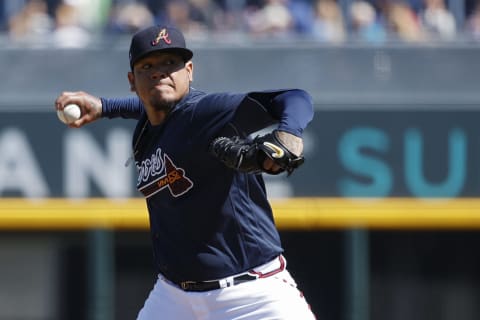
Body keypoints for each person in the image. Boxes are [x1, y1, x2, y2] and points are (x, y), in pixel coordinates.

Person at [55, 25, 316, 320]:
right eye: (147, 66)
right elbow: (146, 107)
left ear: (189, 71)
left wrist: (289, 134)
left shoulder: (206, 112)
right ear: (132, 80)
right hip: (173, 298)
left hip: (251, 295)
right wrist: (105, 106)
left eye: (170, 64)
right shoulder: (151, 122)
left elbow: (295, 98)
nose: (160, 72)